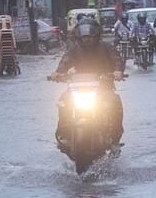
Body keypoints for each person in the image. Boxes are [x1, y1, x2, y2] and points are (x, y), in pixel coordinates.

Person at [49, 18, 125, 152]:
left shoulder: (106, 47)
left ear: (96, 36)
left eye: (90, 37)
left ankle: (114, 140)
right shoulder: (74, 50)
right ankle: (65, 135)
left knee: (115, 103)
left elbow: (117, 60)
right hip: (77, 88)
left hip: (103, 87)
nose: (87, 40)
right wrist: (58, 73)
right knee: (63, 101)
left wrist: (118, 72)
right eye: (84, 37)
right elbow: (65, 62)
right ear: (78, 36)